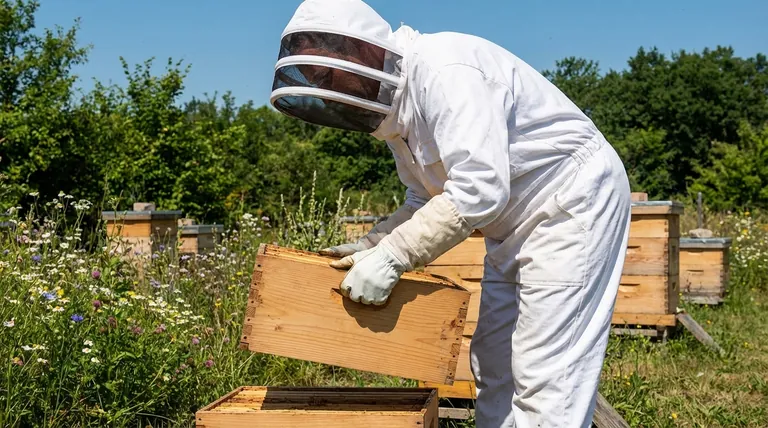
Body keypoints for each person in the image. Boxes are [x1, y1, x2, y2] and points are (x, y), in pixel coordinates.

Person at [270, 1, 631, 426]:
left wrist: (393, 257)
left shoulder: (446, 71)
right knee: (492, 360)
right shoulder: (401, 115)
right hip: (512, 226)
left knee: (547, 373)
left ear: (359, 52)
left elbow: (479, 189)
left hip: (569, 202)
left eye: (327, 74)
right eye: (316, 79)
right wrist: (373, 243)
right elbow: (424, 199)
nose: (327, 86)